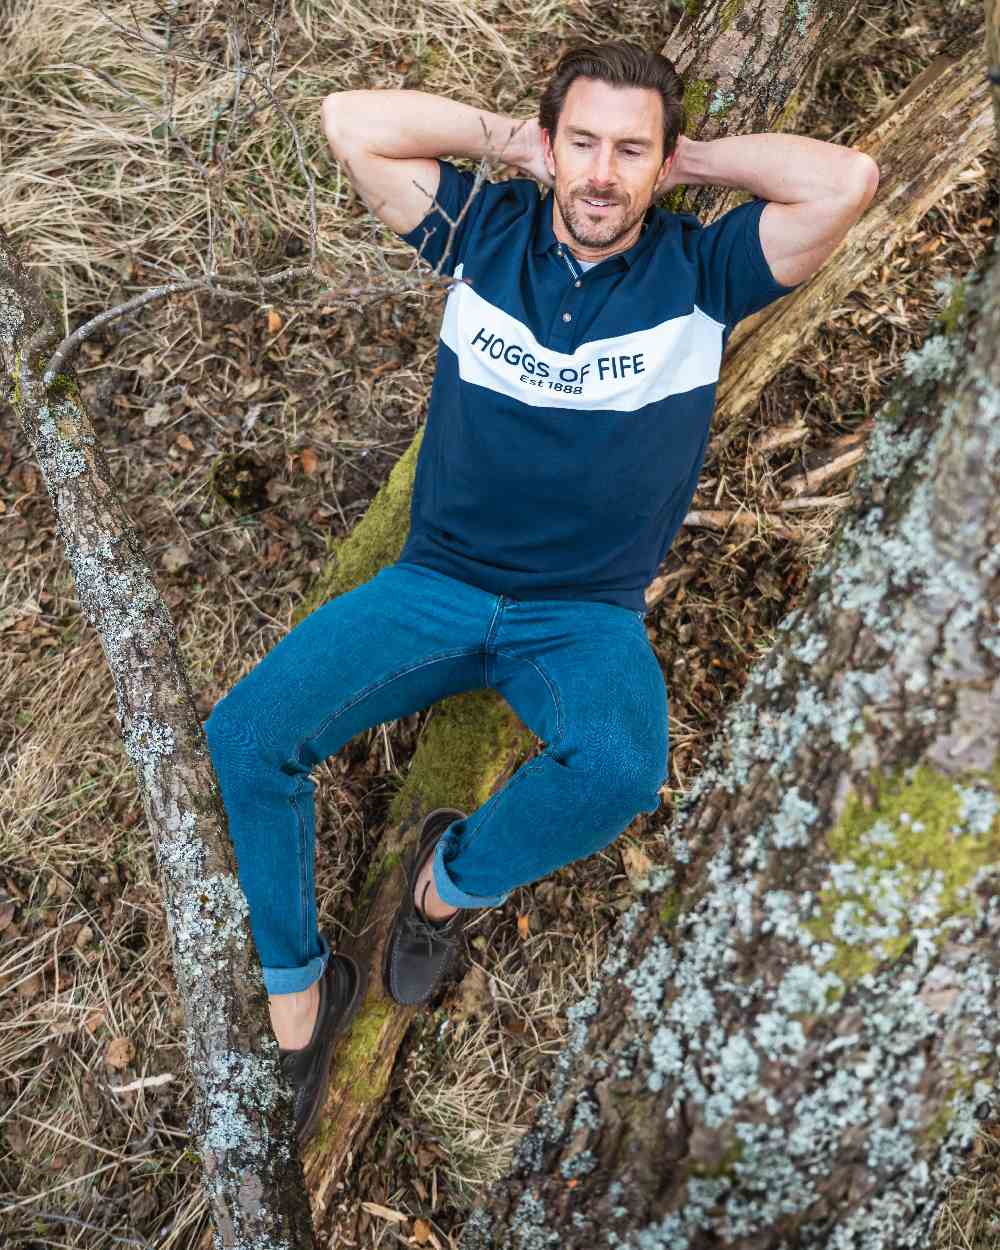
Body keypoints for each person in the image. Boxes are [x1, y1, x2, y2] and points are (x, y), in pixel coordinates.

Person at [205, 38, 876, 1144]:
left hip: (582, 614)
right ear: (547, 143)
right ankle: (296, 979)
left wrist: (685, 161)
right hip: (434, 585)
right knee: (246, 737)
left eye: (629, 151)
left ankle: (445, 882)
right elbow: (348, 120)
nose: (602, 174)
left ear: (660, 164)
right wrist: (510, 142)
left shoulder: (702, 273)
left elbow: (844, 180)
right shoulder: (487, 230)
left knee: (621, 767)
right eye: (582, 142)